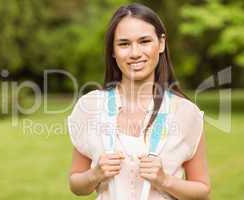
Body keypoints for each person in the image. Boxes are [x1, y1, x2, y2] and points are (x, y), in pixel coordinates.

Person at [67, 3, 211, 200]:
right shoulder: (90, 107)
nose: (135, 53)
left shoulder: (186, 113)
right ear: (112, 51)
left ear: (160, 44)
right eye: (124, 44)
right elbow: (76, 185)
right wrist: (95, 174)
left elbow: (203, 191)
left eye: (144, 41)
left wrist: (164, 180)